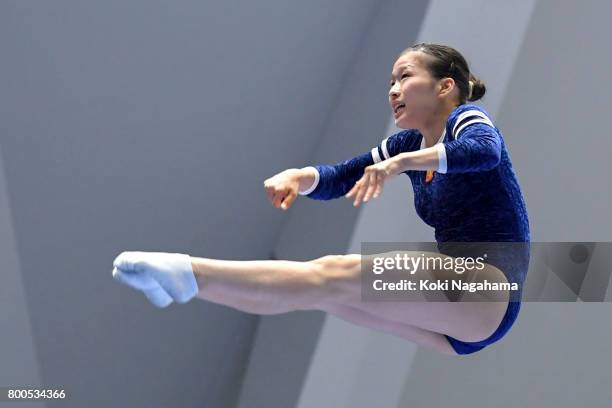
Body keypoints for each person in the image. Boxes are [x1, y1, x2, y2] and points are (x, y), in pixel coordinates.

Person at [112, 43, 530, 356]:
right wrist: (300, 176)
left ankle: (189, 271)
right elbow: (343, 176)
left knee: (332, 270)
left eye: (404, 77)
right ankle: (185, 286)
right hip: (459, 322)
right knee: (321, 292)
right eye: (390, 82)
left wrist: (399, 164)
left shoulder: (465, 120)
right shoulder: (407, 142)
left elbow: (483, 152)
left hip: (488, 286)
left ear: (445, 86)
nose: (393, 89)